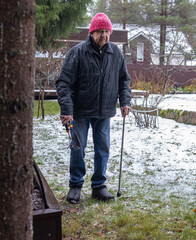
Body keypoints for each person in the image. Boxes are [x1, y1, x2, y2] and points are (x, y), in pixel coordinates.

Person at [56, 13, 132, 204]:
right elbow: (64, 83)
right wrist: (67, 110)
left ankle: (99, 186)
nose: (104, 35)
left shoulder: (116, 53)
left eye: (107, 31)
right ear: (92, 32)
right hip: (79, 112)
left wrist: (125, 101)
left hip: (104, 112)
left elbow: (124, 80)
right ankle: (75, 186)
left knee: (102, 148)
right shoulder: (77, 52)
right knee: (77, 149)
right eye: (100, 31)